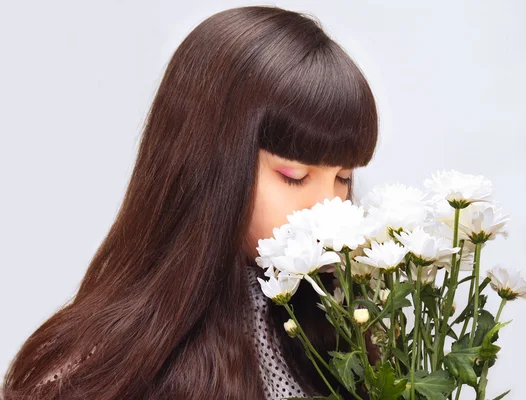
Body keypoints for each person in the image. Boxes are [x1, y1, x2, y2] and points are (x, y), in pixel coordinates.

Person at [1, 5, 379, 399]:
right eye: (295, 176)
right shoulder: (106, 364)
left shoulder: (340, 330)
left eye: (343, 178)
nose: (328, 207)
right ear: (211, 163)